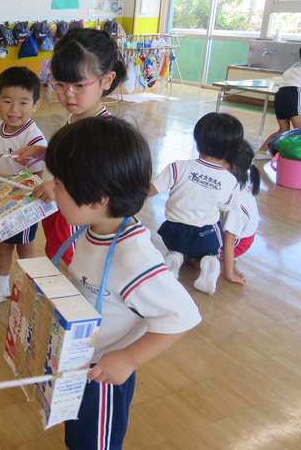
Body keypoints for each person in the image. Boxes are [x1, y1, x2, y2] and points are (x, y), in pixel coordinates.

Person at [45, 116, 201, 450]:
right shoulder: (99, 224)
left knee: (95, 443)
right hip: (79, 359)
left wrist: (129, 358)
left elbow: (184, 316)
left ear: (98, 198)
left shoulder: (133, 259)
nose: (53, 188)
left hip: (103, 375)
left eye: (59, 183)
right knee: (77, 435)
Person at [23, 28, 127, 268]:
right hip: (58, 210)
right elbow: (76, 160)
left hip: (77, 219)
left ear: (106, 80)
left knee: (72, 268)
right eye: (60, 84)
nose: (68, 94)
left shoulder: (102, 132)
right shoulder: (76, 118)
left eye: (79, 86)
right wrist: (46, 152)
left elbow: (99, 180)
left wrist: (60, 186)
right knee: (56, 258)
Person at [0, 66, 47, 310]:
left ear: (36, 105)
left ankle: (33, 289)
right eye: (7, 101)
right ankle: (0, 287)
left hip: (23, 206)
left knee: (25, 249)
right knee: (4, 246)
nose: (14, 109)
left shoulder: (34, 139)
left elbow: (36, 178)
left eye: (23, 103)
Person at [149, 112, 244, 295]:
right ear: (232, 151)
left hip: (172, 232)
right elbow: (230, 221)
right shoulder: (230, 181)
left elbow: (148, 191)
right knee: (214, 228)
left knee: (178, 235)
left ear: (198, 142)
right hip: (204, 238)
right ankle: (210, 259)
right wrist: (230, 272)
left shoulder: (178, 167)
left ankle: (175, 255)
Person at [220, 139, 260, 286]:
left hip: (238, 243)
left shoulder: (235, 200)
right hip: (242, 238)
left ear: (229, 167)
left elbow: (229, 239)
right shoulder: (238, 184)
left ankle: (202, 262)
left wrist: (229, 273)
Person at [258, 46, 301, 157]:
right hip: (294, 94)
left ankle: (261, 151)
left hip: (280, 95)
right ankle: (293, 158)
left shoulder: (295, 66)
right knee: (299, 131)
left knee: (283, 130)